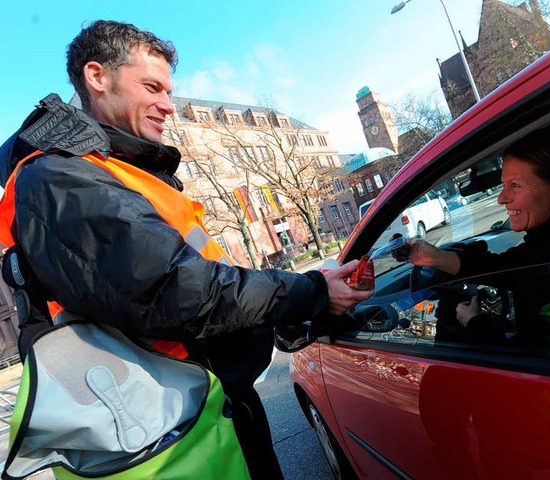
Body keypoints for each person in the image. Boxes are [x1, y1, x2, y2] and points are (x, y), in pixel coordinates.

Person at [0, 20, 372, 479]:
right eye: (152, 87)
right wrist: (310, 291)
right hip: (167, 439)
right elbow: (176, 289)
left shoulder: (114, 173)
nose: (168, 105)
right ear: (97, 77)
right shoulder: (62, 180)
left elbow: (198, 287)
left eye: (169, 91)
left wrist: (285, 317)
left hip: (204, 410)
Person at [406, 126, 550, 346]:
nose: (501, 198)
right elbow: (506, 268)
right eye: (504, 185)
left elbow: (531, 359)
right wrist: (437, 258)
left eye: (515, 185)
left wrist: (473, 323)